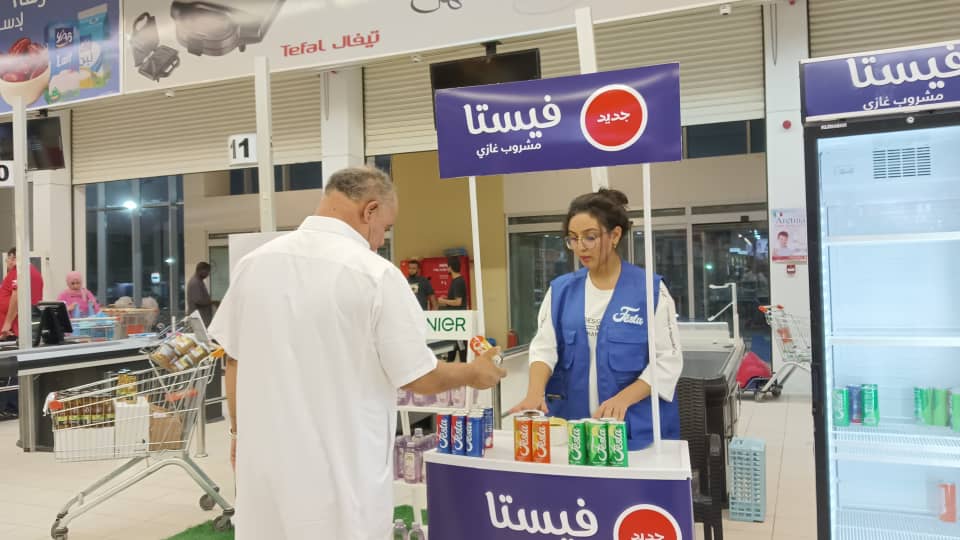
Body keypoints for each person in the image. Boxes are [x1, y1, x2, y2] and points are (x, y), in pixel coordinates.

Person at [209, 166, 506, 540]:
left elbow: (233, 359)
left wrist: (238, 434)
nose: (380, 241)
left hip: (265, 471)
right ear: (370, 210)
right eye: (385, 228)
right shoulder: (375, 275)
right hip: (340, 479)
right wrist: (474, 372)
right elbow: (419, 376)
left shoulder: (254, 264)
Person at [510, 189, 683, 450]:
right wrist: (535, 393)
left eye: (590, 237)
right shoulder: (560, 291)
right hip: (573, 431)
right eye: (573, 238)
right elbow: (544, 348)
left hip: (633, 431)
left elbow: (668, 360)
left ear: (615, 235)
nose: (580, 246)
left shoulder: (650, 291)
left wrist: (624, 399)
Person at [0, 247, 44, 340]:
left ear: (12, 257)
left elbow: (17, 297)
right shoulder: (34, 272)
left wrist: (7, 323)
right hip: (22, 326)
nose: (7, 264)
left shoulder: (20, 271)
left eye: (7, 260)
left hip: (12, 329)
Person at [437, 256, 469, 362]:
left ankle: (462, 366)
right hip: (455, 321)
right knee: (453, 346)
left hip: (458, 320)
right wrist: (447, 298)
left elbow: (458, 302)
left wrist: (443, 301)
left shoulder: (458, 282)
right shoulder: (457, 281)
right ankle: (452, 365)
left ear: (450, 267)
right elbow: (457, 299)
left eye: (447, 267)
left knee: (460, 346)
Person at [187, 262, 216, 327]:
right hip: (199, 318)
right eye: (207, 271)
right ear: (201, 270)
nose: (208, 274)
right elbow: (198, 300)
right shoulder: (195, 282)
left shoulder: (199, 281)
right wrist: (212, 302)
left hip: (202, 317)